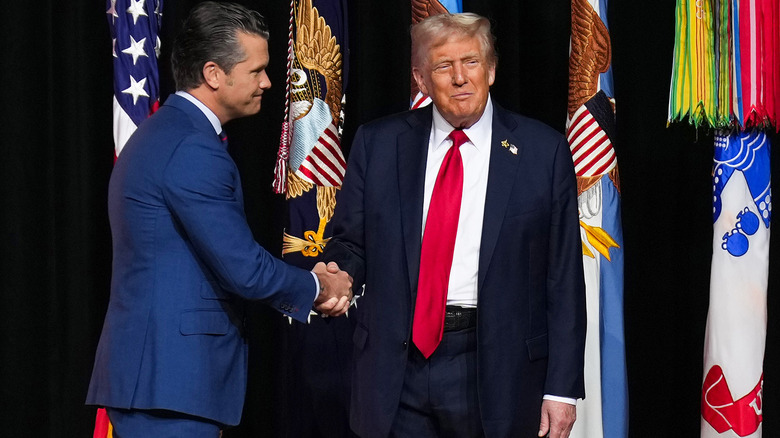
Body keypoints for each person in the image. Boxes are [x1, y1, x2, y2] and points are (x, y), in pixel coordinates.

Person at [86, 2, 352, 436]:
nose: (268, 82)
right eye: (257, 71)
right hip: (170, 385)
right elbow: (244, 269)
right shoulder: (190, 147)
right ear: (213, 74)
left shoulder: (167, 133)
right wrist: (319, 287)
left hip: (161, 383)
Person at [323, 12, 586, 438]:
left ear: (492, 70)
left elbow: (564, 279)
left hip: (494, 369)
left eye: (471, 62)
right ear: (422, 79)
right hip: (395, 368)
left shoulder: (544, 152)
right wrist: (336, 272)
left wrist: (562, 389)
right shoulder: (378, 143)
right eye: (444, 66)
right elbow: (351, 242)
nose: (460, 77)